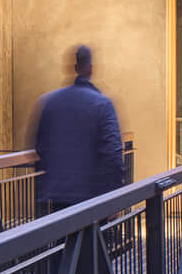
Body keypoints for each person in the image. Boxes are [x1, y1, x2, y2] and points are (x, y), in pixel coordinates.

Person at [31, 44, 126, 211]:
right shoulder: (102, 104)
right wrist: (114, 195)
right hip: (93, 197)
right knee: (93, 236)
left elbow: (40, 146)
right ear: (90, 69)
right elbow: (113, 153)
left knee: (63, 236)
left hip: (59, 195)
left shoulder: (50, 102)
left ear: (74, 68)